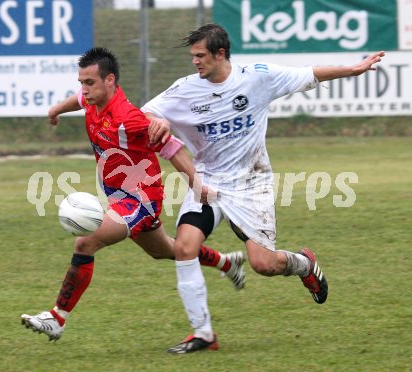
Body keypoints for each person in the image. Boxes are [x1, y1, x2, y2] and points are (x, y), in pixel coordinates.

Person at [142, 23, 385, 353]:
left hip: (251, 184)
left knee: (264, 265)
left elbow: (309, 73)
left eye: (200, 56)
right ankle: (203, 334)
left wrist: (354, 69)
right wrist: (162, 121)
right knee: (185, 247)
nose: (195, 62)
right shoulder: (184, 90)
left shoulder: (258, 77)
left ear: (220, 54)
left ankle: (303, 264)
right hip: (208, 183)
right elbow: (143, 117)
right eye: (192, 56)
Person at [20, 47, 246, 342]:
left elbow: (171, 147)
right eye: (81, 82)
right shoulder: (91, 101)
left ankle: (57, 317)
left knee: (85, 242)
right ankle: (226, 262)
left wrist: (196, 186)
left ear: (110, 80)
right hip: (116, 196)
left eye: (90, 83)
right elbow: (76, 101)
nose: (84, 90)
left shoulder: (129, 119)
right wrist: (55, 111)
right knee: (165, 250)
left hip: (141, 198)